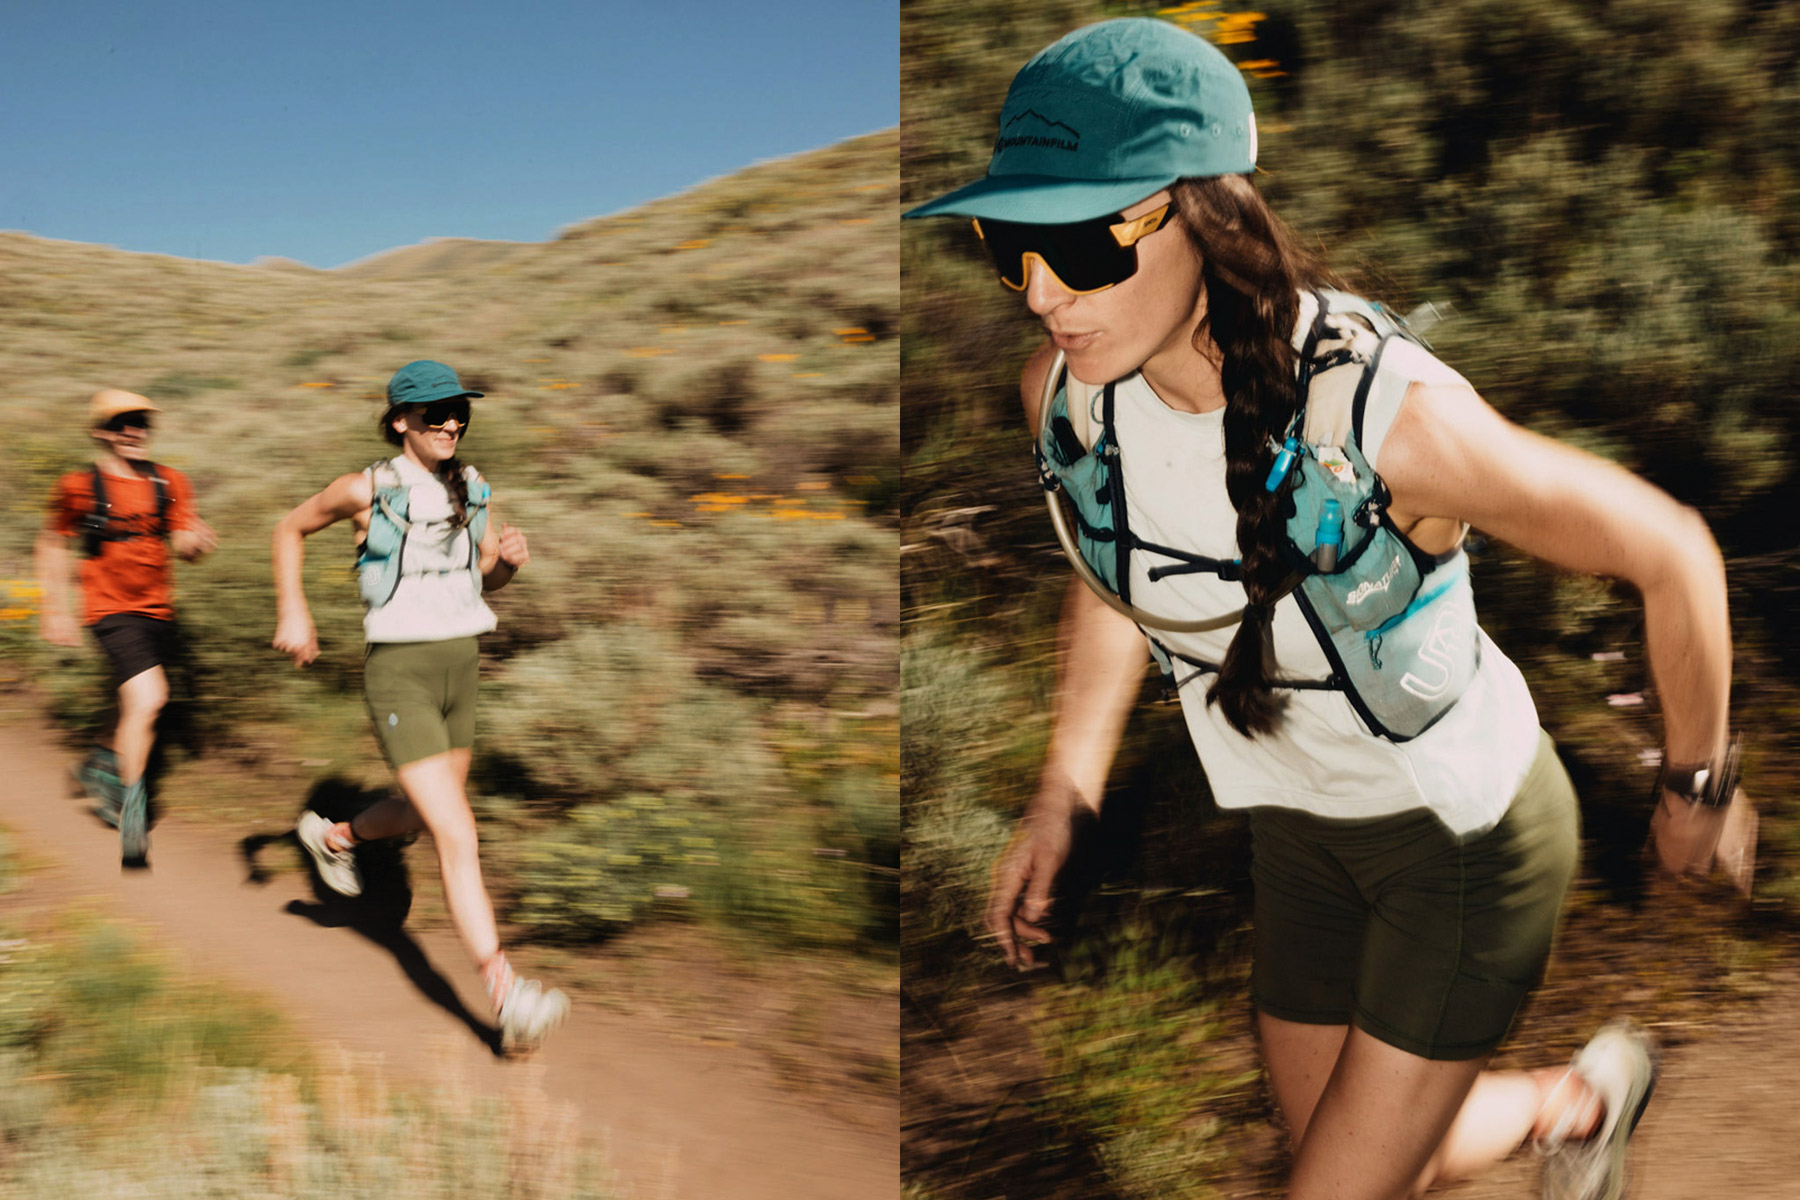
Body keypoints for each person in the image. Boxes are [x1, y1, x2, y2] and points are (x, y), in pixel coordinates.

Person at [907, 18, 1756, 1200]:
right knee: (1342, 1161)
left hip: (1467, 845)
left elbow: (1672, 553)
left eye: (1079, 242)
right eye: (1012, 245)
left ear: (1196, 214)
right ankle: (1580, 1104)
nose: (1042, 291)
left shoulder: (1385, 419)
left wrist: (1695, 789)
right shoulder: (1069, 395)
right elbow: (1116, 570)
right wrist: (1066, 789)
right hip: (1297, 838)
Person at [271, 359, 569, 1055]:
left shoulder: (475, 487)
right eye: (435, 413)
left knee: (423, 810)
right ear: (401, 419)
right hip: (400, 671)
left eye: (459, 410)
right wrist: (295, 611)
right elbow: (288, 530)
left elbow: (483, 580)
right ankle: (507, 994)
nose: (451, 422)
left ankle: (336, 836)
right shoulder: (365, 488)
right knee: (456, 832)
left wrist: (509, 565)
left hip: (459, 664)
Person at [35, 388, 217, 864]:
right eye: (122, 423)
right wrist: (53, 609)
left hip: (156, 612)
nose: (134, 431)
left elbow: (181, 543)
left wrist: (196, 543)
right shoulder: (78, 486)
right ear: (101, 432)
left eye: (141, 422)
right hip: (107, 609)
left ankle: (98, 765)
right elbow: (52, 543)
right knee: (150, 697)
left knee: (132, 702)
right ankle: (130, 808)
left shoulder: (170, 481)